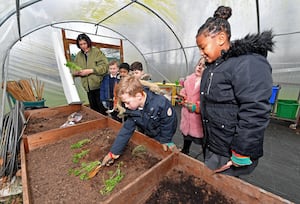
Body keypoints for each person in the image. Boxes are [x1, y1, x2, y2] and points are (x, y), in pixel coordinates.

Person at [196, 6, 274, 177]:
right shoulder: (213, 67)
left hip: (230, 148)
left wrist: (241, 150)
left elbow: (255, 109)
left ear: (221, 38)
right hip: (214, 143)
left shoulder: (248, 63)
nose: (201, 54)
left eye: (203, 47)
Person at [100, 76, 177, 166]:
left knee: (164, 150)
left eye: (127, 102)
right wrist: (113, 152)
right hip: (148, 131)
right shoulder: (133, 109)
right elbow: (126, 130)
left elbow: (169, 122)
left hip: (161, 132)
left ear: (139, 96)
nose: (126, 106)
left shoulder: (160, 103)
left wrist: (165, 140)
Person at [73, 33, 108, 115]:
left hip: (99, 86)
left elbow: (104, 67)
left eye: (84, 43)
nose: (83, 46)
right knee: (94, 110)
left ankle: (105, 123)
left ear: (88, 42)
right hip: (88, 87)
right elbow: (74, 67)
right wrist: (77, 72)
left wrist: (91, 71)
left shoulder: (96, 52)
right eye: (80, 44)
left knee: (102, 108)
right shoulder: (79, 55)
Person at [179, 57, 205, 156]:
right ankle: (185, 151)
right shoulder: (189, 79)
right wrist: (182, 96)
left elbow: (207, 101)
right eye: (199, 65)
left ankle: (207, 157)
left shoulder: (207, 83)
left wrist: (196, 107)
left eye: (204, 66)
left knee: (202, 139)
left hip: (197, 119)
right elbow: (184, 91)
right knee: (186, 136)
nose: (199, 67)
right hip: (187, 115)